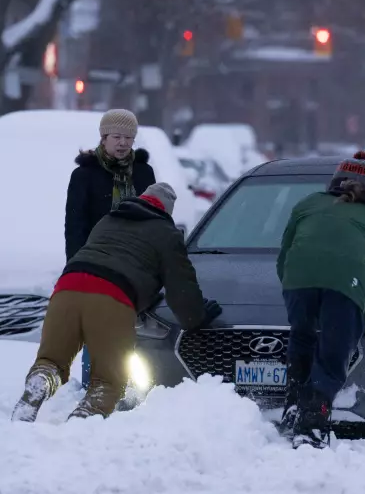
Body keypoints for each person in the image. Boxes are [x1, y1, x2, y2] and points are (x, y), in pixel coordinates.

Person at [12, 182, 222, 422]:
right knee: (107, 382)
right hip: (111, 298)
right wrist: (196, 317)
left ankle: (40, 382)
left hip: (66, 289)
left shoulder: (108, 220)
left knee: (51, 361)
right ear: (167, 211)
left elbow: (110, 259)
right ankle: (80, 424)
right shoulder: (167, 234)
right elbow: (180, 286)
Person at [276, 151, 365, 449]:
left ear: (334, 181)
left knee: (302, 338)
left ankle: (293, 405)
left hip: (298, 280)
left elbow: (284, 255)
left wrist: (295, 288)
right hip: (345, 287)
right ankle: (313, 422)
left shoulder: (307, 203)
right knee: (332, 354)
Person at [65, 108, 156, 261]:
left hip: (138, 259)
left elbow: (154, 219)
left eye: (128, 137)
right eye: (117, 137)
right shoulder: (84, 174)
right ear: (104, 138)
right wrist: (75, 264)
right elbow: (75, 226)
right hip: (96, 258)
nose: (123, 143)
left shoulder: (144, 172)